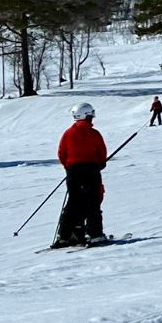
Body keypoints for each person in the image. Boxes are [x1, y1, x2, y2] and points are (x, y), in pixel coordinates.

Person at [55, 102, 108, 246]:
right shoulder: (94, 133)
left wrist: (68, 167)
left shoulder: (68, 133)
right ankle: (95, 234)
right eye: (91, 116)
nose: (92, 118)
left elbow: (61, 153)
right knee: (93, 201)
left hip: (73, 171)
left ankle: (65, 235)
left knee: (73, 202)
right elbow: (102, 151)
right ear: (86, 116)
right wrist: (100, 163)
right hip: (91, 169)